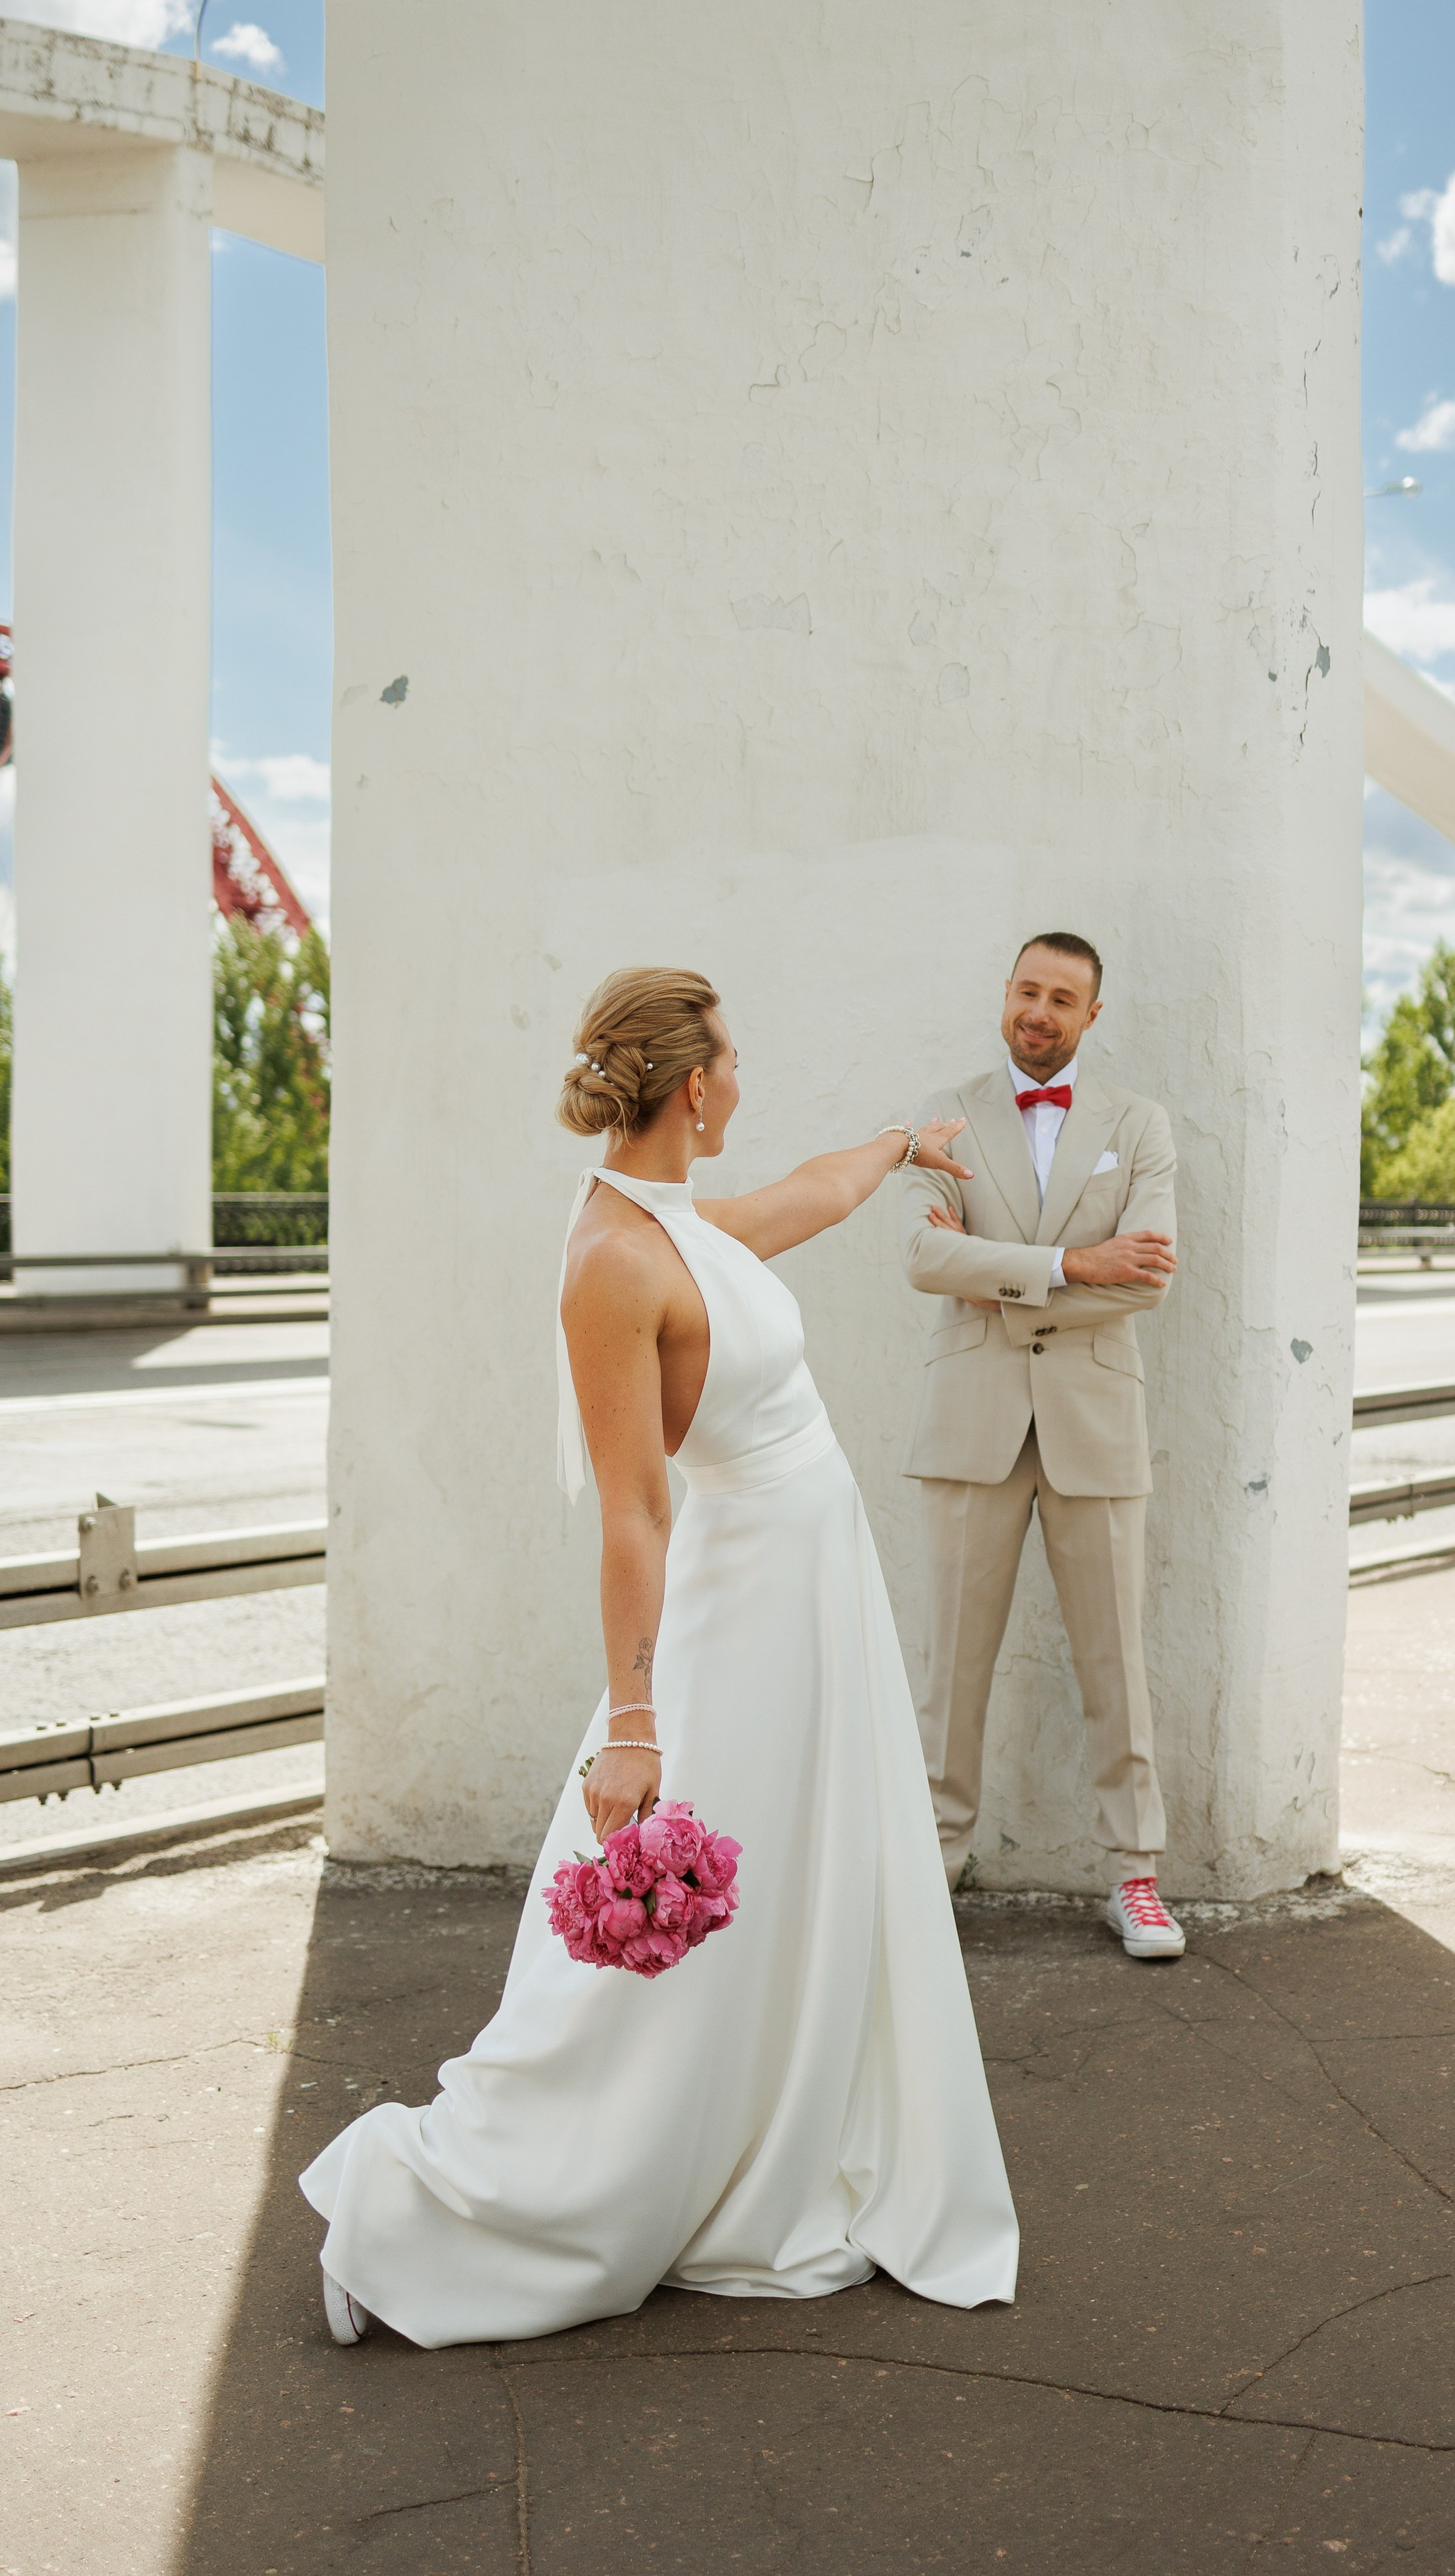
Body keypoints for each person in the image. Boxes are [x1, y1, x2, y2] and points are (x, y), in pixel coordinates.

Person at [302, 965, 1019, 2348]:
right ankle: (422, 2207)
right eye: (735, 1060)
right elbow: (633, 1510)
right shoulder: (611, 1263)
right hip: (737, 1625)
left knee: (784, 1900)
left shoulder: (678, 1223)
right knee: (664, 1924)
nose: (743, 1079)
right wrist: (633, 1724)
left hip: (813, 1611)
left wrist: (897, 1145)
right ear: (694, 1085)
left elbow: (801, 1200)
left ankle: (758, 2139)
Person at [899, 932, 1184, 1959]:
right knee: (948, 1671)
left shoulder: (1139, 1125)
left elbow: (1149, 1278)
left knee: (1118, 1664)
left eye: (1063, 998)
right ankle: (932, 1868)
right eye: (1028, 990)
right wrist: (1073, 1262)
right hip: (970, 1424)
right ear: (1006, 993)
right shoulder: (948, 1116)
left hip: (1095, 1426)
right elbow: (926, 1255)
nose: (1041, 1011)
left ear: (1091, 1016)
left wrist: (1009, 1274)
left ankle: (1135, 1877)